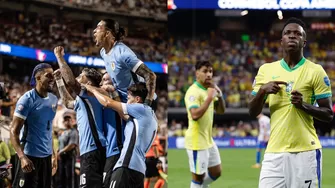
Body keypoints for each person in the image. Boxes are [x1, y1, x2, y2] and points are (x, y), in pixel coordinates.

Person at [249, 17, 333, 188]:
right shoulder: (266, 70)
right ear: (281, 41)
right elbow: (252, 110)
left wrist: (304, 105)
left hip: (306, 152)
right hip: (274, 153)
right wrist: (263, 90)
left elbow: (328, 114)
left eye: (297, 34)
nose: (292, 36)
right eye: (288, 33)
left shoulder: (316, 71)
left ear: (304, 42)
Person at [84, 82, 158, 188]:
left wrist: (92, 89)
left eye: (128, 98)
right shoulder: (149, 118)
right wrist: (114, 92)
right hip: (139, 170)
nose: (127, 101)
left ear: (137, 99)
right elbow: (123, 114)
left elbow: (107, 103)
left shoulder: (141, 109)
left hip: (126, 166)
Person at [53, 66, 107, 188]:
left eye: (81, 76)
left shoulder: (91, 95)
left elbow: (72, 82)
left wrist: (59, 57)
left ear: (88, 82)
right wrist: (58, 80)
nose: (77, 78)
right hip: (90, 150)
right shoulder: (82, 99)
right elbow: (67, 102)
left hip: (94, 149)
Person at [10, 63, 58, 188]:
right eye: (48, 76)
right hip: (29, 157)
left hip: (46, 158)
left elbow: (48, 128)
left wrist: (53, 155)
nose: (52, 78)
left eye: (53, 75)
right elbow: (13, 131)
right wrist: (22, 157)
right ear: (38, 78)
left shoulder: (54, 99)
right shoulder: (27, 100)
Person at [92, 19, 157, 107]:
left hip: (139, 101)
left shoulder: (123, 54)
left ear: (107, 33)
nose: (94, 31)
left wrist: (147, 103)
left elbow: (150, 75)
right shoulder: (103, 52)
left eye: (98, 27)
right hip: (125, 101)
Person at [184, 61, 226, 188]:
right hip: (197, 141)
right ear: (197, 73)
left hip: (208, 139)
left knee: (216, 172)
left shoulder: (209, 90)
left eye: (210, 71)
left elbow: (221, 111)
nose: (208, 74)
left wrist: (220, 94)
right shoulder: (193, 92)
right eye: (205, 71)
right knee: (198, 178)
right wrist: (209, 98)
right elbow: (195, 115)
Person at [100, 72, 124, 188]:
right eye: (104, 79)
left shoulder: (119, 99)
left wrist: (114, 91)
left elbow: (122, 113)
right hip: (102, 152)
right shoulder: (100, 101)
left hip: (115, 149)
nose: (107, 83)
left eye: (110, 80)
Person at [57, 111, 79, 188]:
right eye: (65, 120)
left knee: (70, 176)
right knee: (62, 176)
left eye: (68, 120)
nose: (67, 122)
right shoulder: (62, 133)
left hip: (70, 157)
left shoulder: (73, 132)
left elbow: (72, 145)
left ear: (71, 121)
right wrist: (57, 152)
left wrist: (60, 152)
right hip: (62, 158)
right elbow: (60, 144)